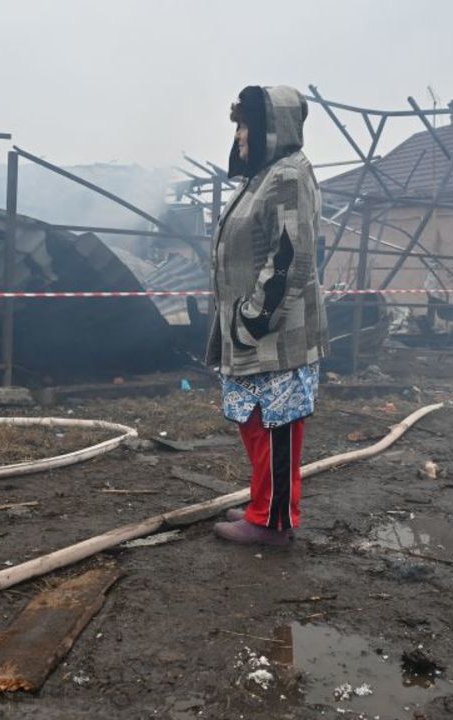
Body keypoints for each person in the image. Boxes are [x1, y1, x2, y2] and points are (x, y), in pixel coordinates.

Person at [206, 85, 328, 547]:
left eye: (246, 126)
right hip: (252, 330)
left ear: (271, 129)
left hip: (275, 333)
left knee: (277, 425)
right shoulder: (263, 176)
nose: (239, 136)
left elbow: (290, 256)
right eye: (237, 126)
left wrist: (254, 317)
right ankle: (264, 503)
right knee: (255, 421)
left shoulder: (288, 177)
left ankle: (273, 522)